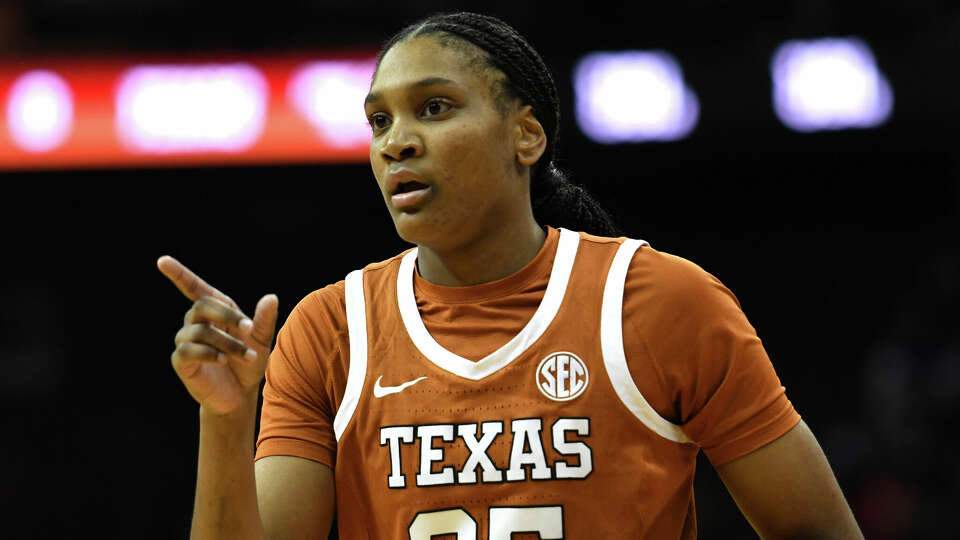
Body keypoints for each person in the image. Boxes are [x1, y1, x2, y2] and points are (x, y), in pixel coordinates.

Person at [158, 12, 864, 539]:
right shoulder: (329, 329)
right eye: (379, 120)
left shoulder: (662, 301)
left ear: (526, 136)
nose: (396, 140)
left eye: (434, 108)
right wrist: (225, 418)